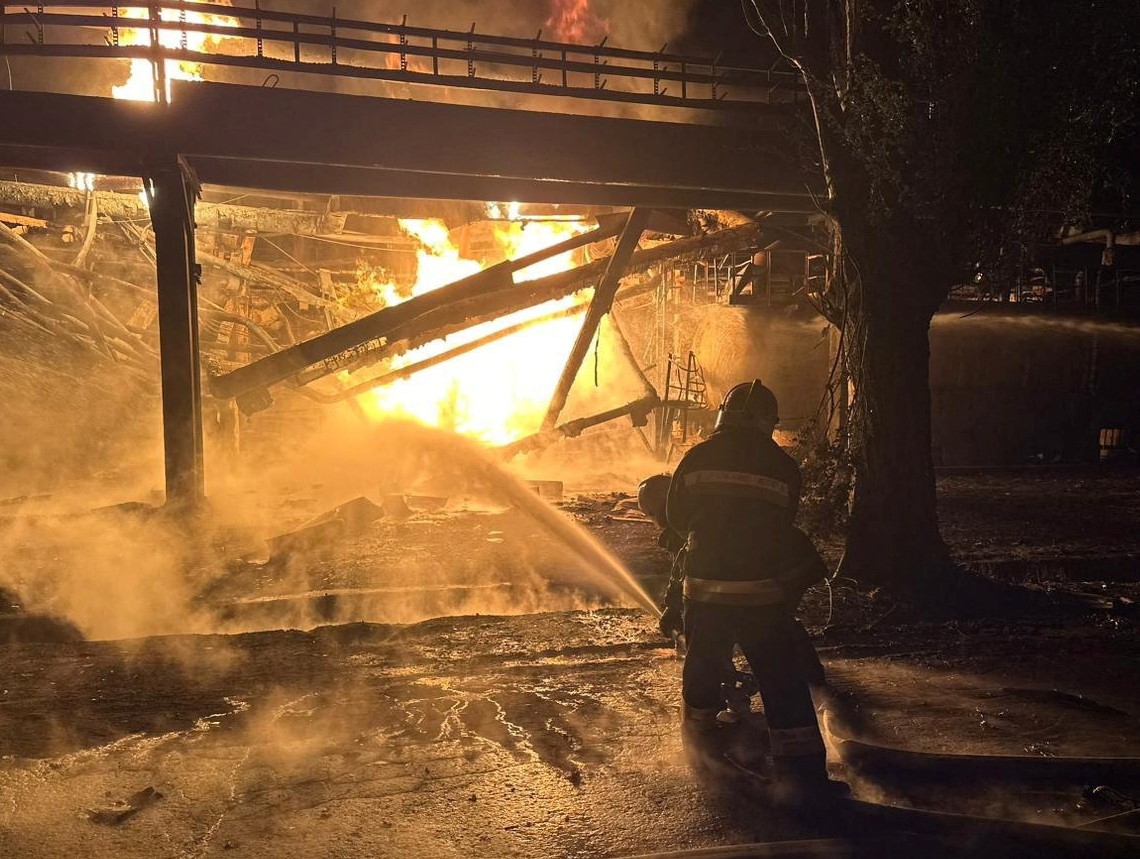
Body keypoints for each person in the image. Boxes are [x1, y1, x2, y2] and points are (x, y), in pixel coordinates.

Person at [663, 379, 840, 800]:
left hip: (703, 590)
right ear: (768, 422)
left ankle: (704, 760)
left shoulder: (698, 455)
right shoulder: (783, 466)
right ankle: (802, 780)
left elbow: (674, 517)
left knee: (702, 670)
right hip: (760, 593)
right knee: (781, 680)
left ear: (724, 416)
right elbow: (783, 525)